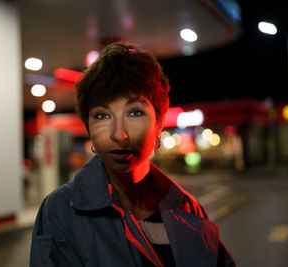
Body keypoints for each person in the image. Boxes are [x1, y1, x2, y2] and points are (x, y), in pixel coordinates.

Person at [30, 42, 236, 267]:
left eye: (135, 112)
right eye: (102, 115)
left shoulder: (187, 208)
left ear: (158, 123)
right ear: (88, 128)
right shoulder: (60, 212)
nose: (119, 134)